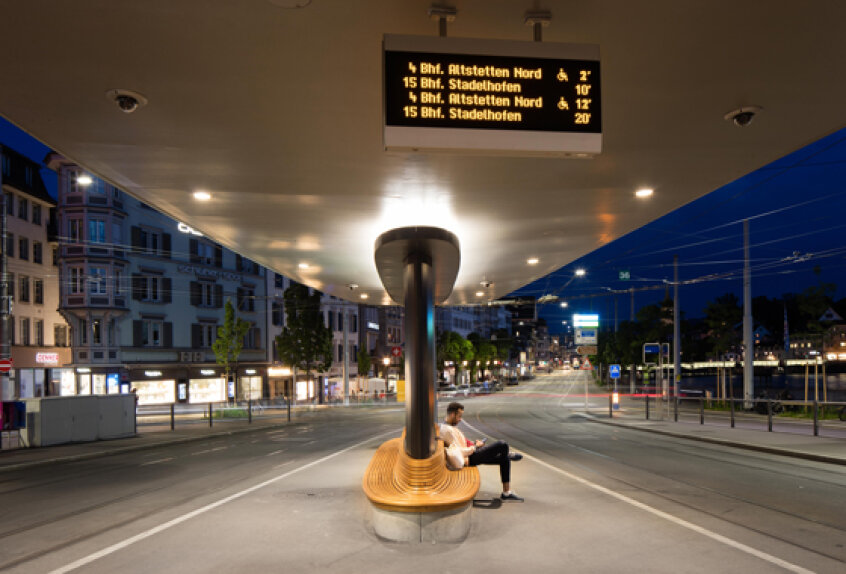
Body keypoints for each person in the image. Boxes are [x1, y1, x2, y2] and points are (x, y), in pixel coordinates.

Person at [440, 401, 524, 502]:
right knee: (502, 444)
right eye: (459, 416)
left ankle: (506, 493)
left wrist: (473, 444)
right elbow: (460, 452)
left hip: (471, 454)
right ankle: (507, 454)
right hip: (469, 459)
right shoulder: (447, 430)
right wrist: (475, 447)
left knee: (504, 460)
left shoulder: (450, 427)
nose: (460, 419)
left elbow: (462, 443)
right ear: (453, 414)